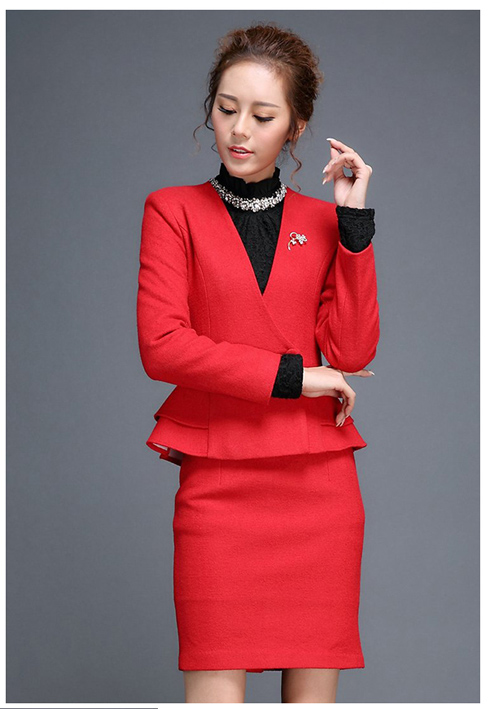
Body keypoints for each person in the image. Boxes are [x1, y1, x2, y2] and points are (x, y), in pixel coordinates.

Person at [137, 22, 380, 704]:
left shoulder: (325, 223)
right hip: (219, 481)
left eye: (263, 116)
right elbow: (162, 345)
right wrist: (295, 377)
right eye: (226, 108)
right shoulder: (172, 211)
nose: (239, 130)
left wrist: (354, 227)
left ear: (295, 126)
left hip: (318, 488)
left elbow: (353, 352)